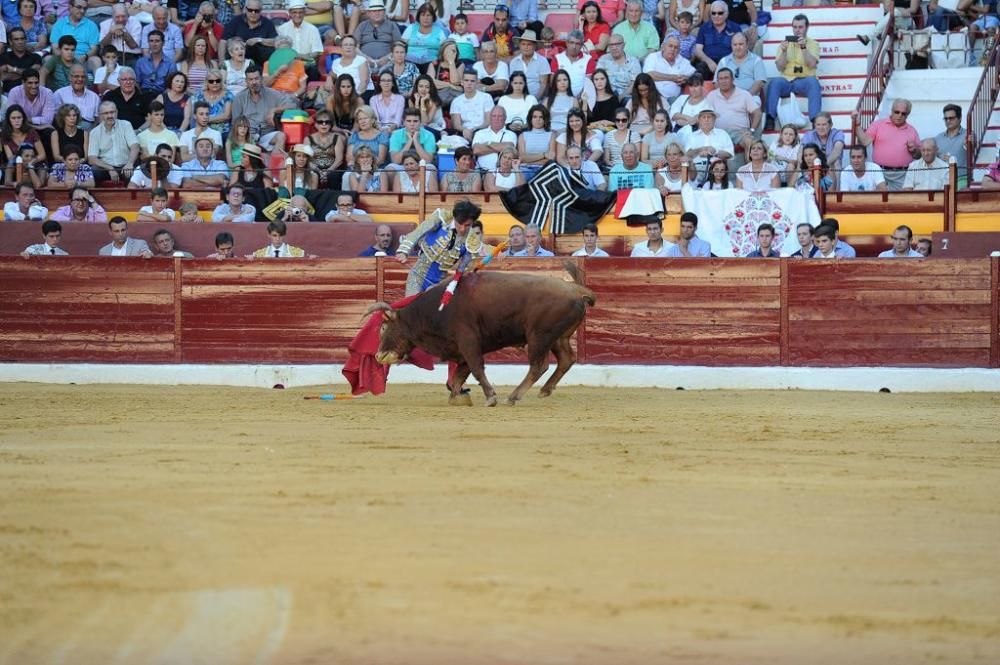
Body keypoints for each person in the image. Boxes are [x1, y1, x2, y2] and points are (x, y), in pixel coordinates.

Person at [395, 198, 483, 296]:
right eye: (459, 224)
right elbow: (418, 232)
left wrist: (451, 287)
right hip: (417, 275)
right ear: (454, 218)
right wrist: (403, 251)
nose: (462, 229)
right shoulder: (442, 218)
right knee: (411, 307)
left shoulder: (472, 241)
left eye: (467, 225)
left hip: (439, 283)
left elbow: (462, 270)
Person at [851, 98, 920, 191]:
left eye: (903, 113)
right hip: (880, 172)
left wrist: (915, 150)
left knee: (901, 202)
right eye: (897, 112)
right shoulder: (878, 125)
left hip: (902, 175)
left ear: (907, 115)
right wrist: (857, 125)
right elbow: (864, 141)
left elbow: (918, 156)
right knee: (879, 202)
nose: (899, 115)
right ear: (892, 111)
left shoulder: (912, 130)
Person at [765, 13, 821, 128]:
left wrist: (804, 47)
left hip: (805, 80)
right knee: (775, 82)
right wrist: (784, 51)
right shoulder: (784, 44)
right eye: (795, 27)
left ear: (807, 27)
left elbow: (811, 64)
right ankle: (770, 118)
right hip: (787, 80)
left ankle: (815, 120)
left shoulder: (813, 44)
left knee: (814, 83)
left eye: (800, 27)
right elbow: (780, 67)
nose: (797, 30)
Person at [230, 65, 294, 152]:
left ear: (262, 79)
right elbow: (235, 123)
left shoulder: (273, 94)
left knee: (281, 136)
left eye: (256, 79)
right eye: (250, 80)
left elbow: (293, 105)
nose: (254, 82)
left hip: (267, 135)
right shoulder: (239, 98)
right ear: (246, 81)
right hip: (248, 136)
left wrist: (274, 110)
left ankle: (274, 164)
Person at [705, 66, 759, 155]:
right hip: (719, 133)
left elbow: (757, 113)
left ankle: (750, 168)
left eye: (726, 78)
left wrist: (751, 130)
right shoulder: (712, 95)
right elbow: (705, 116)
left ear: (733, 79)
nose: (723, 81)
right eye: (720, 79)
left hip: (739, 132)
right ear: (717, 81)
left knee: (750, 143)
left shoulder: (744, 94)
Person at [87, 101, 138, 183]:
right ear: (100, 115)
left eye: (112, 112)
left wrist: (130, 163)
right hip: (105, 168)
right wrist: (109, 168)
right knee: (94, 171)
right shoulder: (95, 132)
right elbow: (92, 158)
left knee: (134, 172)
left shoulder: (126, 125)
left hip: (125, 165)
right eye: (106, 113)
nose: (110, 116)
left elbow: (134, 146)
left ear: (116, 112)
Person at [220, 0, 277, 65]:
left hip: (261, 63)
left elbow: (276, 41)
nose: (253, 13)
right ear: (245, 9)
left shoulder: (268, 23)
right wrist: (222, 62)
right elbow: (223, 41)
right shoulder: (236, 21)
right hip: (238, 63)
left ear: (261, 11)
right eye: (250, 10)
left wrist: (258, 40)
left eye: (256, 11)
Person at [692, 1, 739, 80]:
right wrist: (709, 62)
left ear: (726, 14)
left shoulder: (735, 28)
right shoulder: (704, 28)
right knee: (699, 73)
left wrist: (723, 63)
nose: (716, 16)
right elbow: (698, 50)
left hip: (728, 62)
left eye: (720, 13)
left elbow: (739, 49)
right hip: (707, 61)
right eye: (713, 13)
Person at [682, 107, 733, 179]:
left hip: (716, 171)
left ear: (714, 119)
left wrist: (714, 153)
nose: (706, 120)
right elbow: (688, 154)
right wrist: (701, 149)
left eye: (709, 117)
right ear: (699, 120)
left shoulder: (723, 134)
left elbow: (729, 154)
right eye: (703, 117)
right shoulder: (691, 136)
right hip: (695, 170)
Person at [643, 36, 695, 107]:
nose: (673, 49)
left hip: (674, 99)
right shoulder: (653, 57)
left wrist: (686, 79)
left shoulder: (683, 62)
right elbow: (649, 75)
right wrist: (674, 78)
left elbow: (695, 75)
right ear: (663, 46)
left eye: (676, 47)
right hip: (654, 96)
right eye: (670, 46)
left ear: (679, 51)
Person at [49, 1, 101, 69]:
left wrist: (84, 57)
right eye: (79, 7)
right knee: (48, 59)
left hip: (84, 59)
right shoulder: (59, 24)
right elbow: (55, 47)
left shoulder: (91, 25)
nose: (82, 11)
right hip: (62, 58)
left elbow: (94, 49)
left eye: (85, 8)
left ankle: (99, 80)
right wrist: (64, 59)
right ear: (70, 7)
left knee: (96, 60)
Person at [714, 31, 763, 98]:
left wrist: (746, 98)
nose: (738, 47)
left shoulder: (756, 60)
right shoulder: (724, 61)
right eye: (735, 45)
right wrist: (726, 97)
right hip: (727, 98)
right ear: (731, 46)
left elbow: (759, 82)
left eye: (741, 44)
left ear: (747, 45)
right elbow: (716, 83)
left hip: (750, 97)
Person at [450, 69, 494, 142]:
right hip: (463, 133)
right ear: (462, 82)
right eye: (466, 80)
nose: (469, 83)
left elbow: (488, 121)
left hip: (483, 131)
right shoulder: (456, 101)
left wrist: (473, 130)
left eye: (472, 81)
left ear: (477, 82)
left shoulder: (486, 97)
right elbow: (456, 125)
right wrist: (465, 130)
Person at [277, 0, 323, 66]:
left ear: (304, 12)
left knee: (312, 68)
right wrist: (300, 57)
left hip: (307, 64)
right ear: (289, 13)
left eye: (300, 12)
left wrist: (298, 56)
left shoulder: (313, 29)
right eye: (294, 12)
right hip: (288, 64)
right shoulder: (282, 29)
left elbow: (316, 52)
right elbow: (280, 52)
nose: (298, 15)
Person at [357, 0, 401, 69]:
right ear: (369, 13)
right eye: (374, 11)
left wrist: (388, 58)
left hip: (388, 62)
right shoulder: (362, 26)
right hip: (364, 63)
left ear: (384, 12)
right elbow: (355, 47)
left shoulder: (392, 25)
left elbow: (399, 46)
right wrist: (365, 58)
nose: (377, 13)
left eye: (380, 10)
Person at [472, 105, 516, 172]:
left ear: (505, 118)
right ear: (490, 118)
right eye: (494, 116)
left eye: (500, 116)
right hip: (481, 171)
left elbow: (509, 149)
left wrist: (488, 144)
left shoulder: (511, 134)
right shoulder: (480, 133)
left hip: (503, 171)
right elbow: (476, 150)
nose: (497, 118)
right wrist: (500, 147)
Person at [596, 33, 640, 101]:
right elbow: (598, 79)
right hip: (607, 95)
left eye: (617, 44)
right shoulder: (603, 60)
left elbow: (634, 84)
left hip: (626, 96)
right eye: (611, 45)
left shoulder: (633, 61)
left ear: (623, 45)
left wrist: (621, 97)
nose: (614, 48)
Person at [0, 28, 44, 95]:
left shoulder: (35, 57)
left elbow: (35, 75)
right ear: (10, 41)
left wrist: (14, 69)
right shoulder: (3, 57)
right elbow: (3, 77)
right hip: (9, 93)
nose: (20, 42)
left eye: (22, 38)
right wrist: (28, 72)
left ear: (26, 40)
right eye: (16, 39)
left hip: (31, 93)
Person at [509, 30, 551, 99]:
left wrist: (535, 101)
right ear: (519, 45)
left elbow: (544, 85)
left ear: (535, 46)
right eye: (523, 44)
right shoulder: (514, 62)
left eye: (529, 44)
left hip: (536, 99)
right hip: (517, 98)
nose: (526, 47)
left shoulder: (542, 61)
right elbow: (512, 83)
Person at [98, 3, 143, 67]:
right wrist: (110, 33)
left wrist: (124, 32)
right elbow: (103, 46)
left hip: (132, 57)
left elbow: (133, 45)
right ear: (112, 17)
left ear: (128, 16)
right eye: (117, 17)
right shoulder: (104, 24)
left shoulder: (135, 22)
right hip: (112, 57)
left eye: (123, 16)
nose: (120, 19)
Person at [134, 29, 175, 99]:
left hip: (161, 95)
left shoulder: (170, 64)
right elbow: (136, 83)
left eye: (157, 41)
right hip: (143, 94)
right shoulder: (140, 62)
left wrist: (161, 98)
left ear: (163, 43)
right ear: (148, 43)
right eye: (151, 41)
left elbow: (171, 86)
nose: (154, 44)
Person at [936, 103, 967, 189]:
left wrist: (970, 143)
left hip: (962, 179)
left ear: (960, 118)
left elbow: (972, 146)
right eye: (945, 119)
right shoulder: (938, 138)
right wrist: (938, 157)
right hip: (941, 180)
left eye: (951, 118)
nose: (948, 121)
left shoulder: (968, 135)